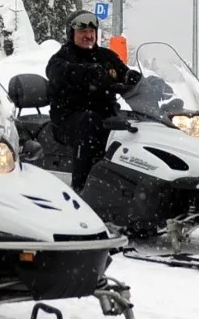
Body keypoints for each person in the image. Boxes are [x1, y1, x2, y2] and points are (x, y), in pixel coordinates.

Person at [45, 10, 142, 192]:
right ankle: (80, 189)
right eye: (83, 32)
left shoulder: (106, 57)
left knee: (137, 125)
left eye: (92, 31)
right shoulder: (60, 59)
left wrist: (135, 78)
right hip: (68, 120)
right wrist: (87, 74)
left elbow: (123, 72)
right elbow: (58, 73)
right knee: (90, 123)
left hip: (106, 116)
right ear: (71, 33)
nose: (88, 36)